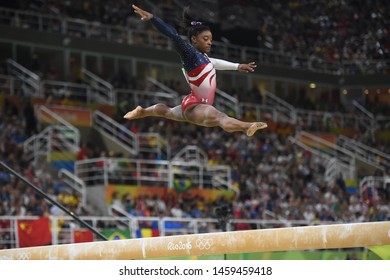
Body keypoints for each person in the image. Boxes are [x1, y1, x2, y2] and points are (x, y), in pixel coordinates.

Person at [124, 4, 267, 136]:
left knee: (168, 112)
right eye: (205, 38)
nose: (209, 42)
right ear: (194, 39)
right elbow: (173, 35)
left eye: (210, 39)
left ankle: (143, 111)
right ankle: (247, 126)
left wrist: (237, 66)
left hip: (193, 103)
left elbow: (215, 63)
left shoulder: (202, 58)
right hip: (196, 105)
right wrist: (153, 19)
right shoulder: (190, 54)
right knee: (220, 117)